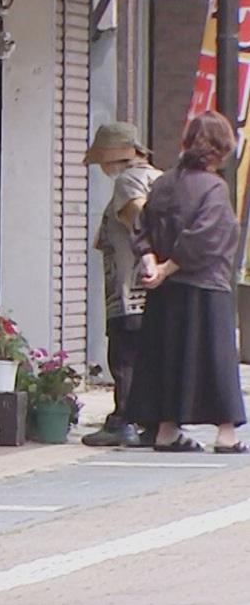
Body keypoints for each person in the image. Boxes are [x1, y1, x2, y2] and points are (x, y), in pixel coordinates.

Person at [127, 110, 247, 454]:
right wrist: (168, 266)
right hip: (206, 285)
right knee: (216, 358)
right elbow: (207, 236)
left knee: (169, 356)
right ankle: (226, 434)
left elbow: (143, 226)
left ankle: (167, 430)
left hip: (166, 292)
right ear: (221, 148)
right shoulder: (214, 187)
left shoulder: (163, 182)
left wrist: (152, 263)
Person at [80, 122, 160, 448]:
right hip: (153, 287)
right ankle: (150, 420)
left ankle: (123, 419)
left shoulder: (129, 181)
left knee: (124, 357)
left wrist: (148, 254)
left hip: (129, 286)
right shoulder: (157, 176)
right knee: (145, 357)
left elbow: (139, 220)